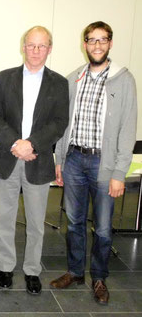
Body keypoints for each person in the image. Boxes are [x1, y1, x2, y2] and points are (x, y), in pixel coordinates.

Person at [50, 21, 137, 305]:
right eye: (92, 40)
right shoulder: (73, 78)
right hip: (74, 158)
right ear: (84, 43)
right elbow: (64, 125)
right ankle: (75, 271)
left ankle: (99, 277)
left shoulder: (124, 80)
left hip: (104, 163)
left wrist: (119, 172)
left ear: (110, 43)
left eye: (103, 40)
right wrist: (60, 160)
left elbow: (128, 128)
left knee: (101, 227)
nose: (97, 45)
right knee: (74, 223)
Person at [0, 26, 69, 295]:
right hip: (7, 158)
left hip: (38, 159)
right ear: (23, 46)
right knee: (4, 219)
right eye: (31, 45)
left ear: (49, 49)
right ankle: (6, 267)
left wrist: (31, 144)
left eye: (41, 46)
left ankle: (33, 270)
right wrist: (15, 143)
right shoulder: (4, 78)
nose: (36, 51)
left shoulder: (59, 83)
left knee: (36, 222)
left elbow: (60, 122)